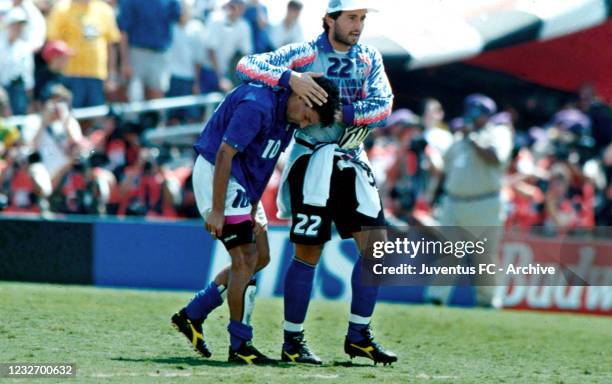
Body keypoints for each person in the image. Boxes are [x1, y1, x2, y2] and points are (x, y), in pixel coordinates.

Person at [236, 0, 397, 365]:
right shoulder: (305, 53)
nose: (358, 25)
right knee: (308, 253)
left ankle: (359, 335)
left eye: (362, 18)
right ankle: (293, 340)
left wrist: (344, 112)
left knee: (377, 251)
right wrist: (290, 78)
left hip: (353, 160)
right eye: (352, 17)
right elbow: (247, 65)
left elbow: (384, 104)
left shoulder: (370, 57)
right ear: (329, 19)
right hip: (312, 161)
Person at [171, 77, 340, 365]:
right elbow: (224, 154)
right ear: (302, 97)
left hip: (243, 184)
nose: (302, 124)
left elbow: (262, 164)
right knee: (246, 258)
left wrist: (252, 204)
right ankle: (240, 344)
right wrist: (216, 209)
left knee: (261, 256)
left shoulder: (287, 116)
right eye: (306, 117)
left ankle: (192, 314)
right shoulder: (257, 106)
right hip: (218, 175)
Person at [426, 94, 513, 308]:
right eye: (471, 113)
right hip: (453, 202)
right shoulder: (459, 137)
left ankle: (487, 301)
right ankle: (436, 298)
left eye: (478, 114)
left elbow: (495, 157)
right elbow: (445, 169)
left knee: (484, 256)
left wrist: (472, 138)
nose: (473, 118)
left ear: (487, 115)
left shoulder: (498, 132)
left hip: (484, 203)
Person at [47, 0, 121, 108]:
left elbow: (111, 44)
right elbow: (53, 42)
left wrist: (112, 74)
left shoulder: (105, 10)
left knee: (96, 115)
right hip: (70, 74)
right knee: (71, 113)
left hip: (97, 74)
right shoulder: (61, 9)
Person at [118, 0, 181, 100]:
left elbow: (182, 19)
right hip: (137, 53)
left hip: (160, 54)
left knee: (157, 99)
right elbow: (123, 31)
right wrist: (125, 62)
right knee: (134, 98)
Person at [0, 6, 33, 115]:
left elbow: (28, 76)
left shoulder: (25, 48)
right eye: (15, 24)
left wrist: (29, 100)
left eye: (20, 25)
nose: (18, 28)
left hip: (19, 93)